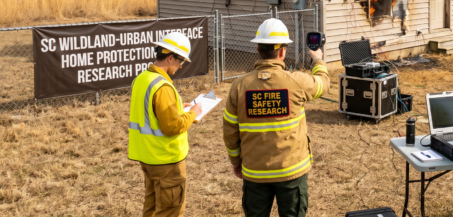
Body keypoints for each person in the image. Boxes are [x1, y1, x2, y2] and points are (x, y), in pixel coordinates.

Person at [223, 18, 329, 217]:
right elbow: (323, 83)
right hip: (291, 172)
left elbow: (229, 132)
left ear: (258, 49)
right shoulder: (297, 82)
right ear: (282, 52)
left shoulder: (239, 86)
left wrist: (236, 162)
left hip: (254, 172)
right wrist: (317, 59)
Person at [128, 31, 203, 217]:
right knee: (170, 211)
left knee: (152, 209)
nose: (180, 66)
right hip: (166, 161)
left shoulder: (142, 79)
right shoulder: (162, 86)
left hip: (148, 157)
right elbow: (171, 126)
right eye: (181, 61)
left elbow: (152, 113)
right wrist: (193, 114)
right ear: (170, 58)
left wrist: (179, 108)